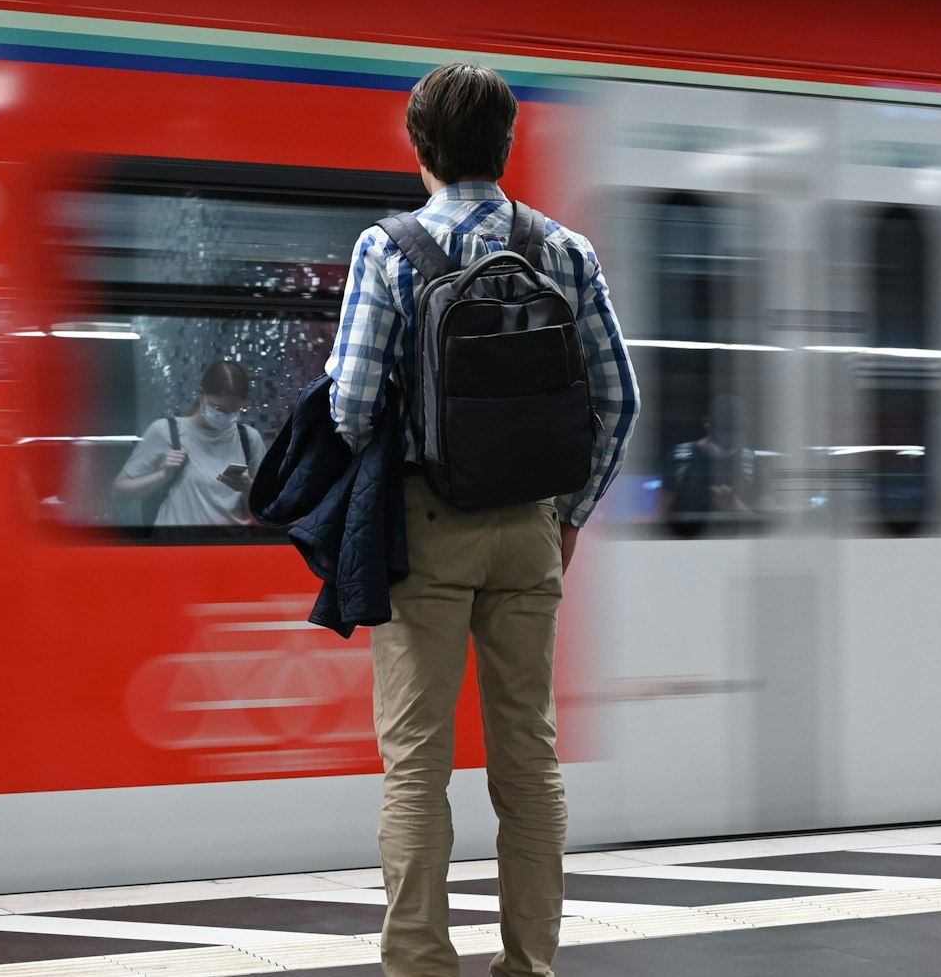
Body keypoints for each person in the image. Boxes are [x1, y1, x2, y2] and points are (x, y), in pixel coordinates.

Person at [326, 62, 637, 977]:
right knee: (528, 758)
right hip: (531, 532)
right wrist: (569, 516)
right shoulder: (565, 252)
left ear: (420, 149)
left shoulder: (387, 249)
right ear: (508, 147)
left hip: (426, 527)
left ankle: (421, 960)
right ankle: (529, 963)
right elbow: (619, 400)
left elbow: (349, 406)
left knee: (417, 763)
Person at [114, 360, 265, 528]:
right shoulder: (166, 431)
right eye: (218, 409)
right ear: (201, 394)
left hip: (231, 547)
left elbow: (267, 511)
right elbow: (120, 491)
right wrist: (162, 475)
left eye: (234, 411)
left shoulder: (249, 439)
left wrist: (248, 487)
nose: (226, 416)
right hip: (176, 546)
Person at [657, 394, 765, 536]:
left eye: (733, 434)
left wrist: (734, 506)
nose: (727, 443)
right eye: (722, 433)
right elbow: (659, 518)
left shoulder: (751, 463)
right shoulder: (680, 460)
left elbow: (767, 526)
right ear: (707, 423)